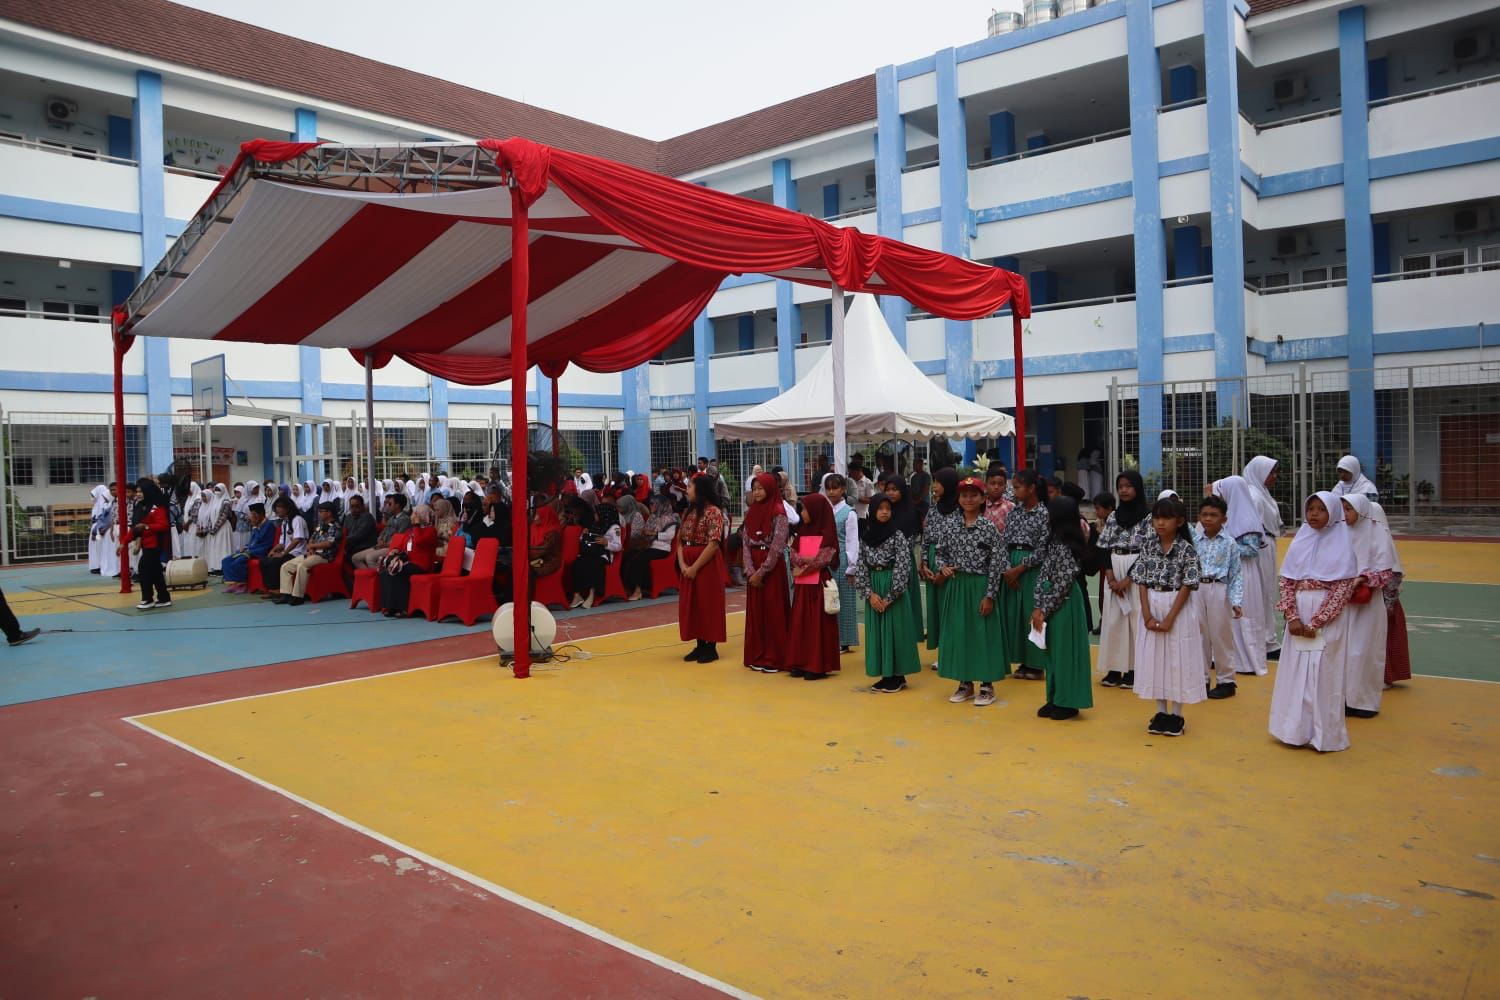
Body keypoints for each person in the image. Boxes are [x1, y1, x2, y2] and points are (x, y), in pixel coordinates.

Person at [1269, 492, 1360, 752]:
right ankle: (1293, 730)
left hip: (1326, 620)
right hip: (1299, 616)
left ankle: (1323, 734)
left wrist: (1317, 622)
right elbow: (1287, 581)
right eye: (1311, 509)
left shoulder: (1343, 546)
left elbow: (1342, 589)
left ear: (1333, 513)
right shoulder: (1301, 541)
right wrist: (1292, 617)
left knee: (1322, 673)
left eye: (1321, 509)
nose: (1314, 514)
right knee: (1296, 671)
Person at [1127, 495, 1205, 736]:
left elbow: (1188, 585)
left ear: (1179, 521)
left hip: (1177, 605)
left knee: (1178, 657)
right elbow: (1141, 580)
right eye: (1156, 518)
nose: (1160, 523)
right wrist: (1146, 614)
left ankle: (1177, 714)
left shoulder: (1187, 550)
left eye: (1166, 518)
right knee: (1155, 657)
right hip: (1152, 600)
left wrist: (1170, 617)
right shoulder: (1149, 546)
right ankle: (1161, 711)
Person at [935, 476, 1006, 706]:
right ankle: (965, 683)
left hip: (980, 585)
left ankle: (987, 685)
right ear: (958, 498)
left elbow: (997, 564)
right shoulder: (950, 526)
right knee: (960, 633)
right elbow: (940, 553)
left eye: (974, 495)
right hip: (957, 586)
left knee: (982, 635)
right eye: (964, 495)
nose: (968, 499)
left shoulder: (989, 528)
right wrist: (943, 567)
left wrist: (990, 595)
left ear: (983, 498)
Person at [1210, 456, 1283, 672]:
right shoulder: (1238, 509)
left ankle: (1248, 655)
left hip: (1244, 572)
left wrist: (1225, 547)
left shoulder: (1246, 516)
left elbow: (1250, 548)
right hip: (1234, 571)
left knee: (1245, 613)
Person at [1032, 495, 1094, 721]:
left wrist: (1043, 609)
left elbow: (1062, 584)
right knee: (1053, 653)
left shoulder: (1067, 546)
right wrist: (1039, 604)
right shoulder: (1055, 541)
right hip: (1053, 603)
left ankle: (1068, 702)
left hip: (1064, 603)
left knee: (1066, 652)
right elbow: (1045, 575)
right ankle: (1055, 697)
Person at [1341, 493, 1399, 719]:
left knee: (1365, 651)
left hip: (1369, 606)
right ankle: (1344, 699)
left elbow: (1385, 571)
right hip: (1344, 604)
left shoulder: (1377, 533)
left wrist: (1364, 579)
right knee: (1344, 650)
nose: (1345, 514)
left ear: (1361, 510)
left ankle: (1364, 701)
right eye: (1343, 509)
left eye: (1349, 509)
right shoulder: (1339, 533)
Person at [855, 495, 921, 691]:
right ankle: (886, 674)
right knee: (878, 633)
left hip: (892, 587)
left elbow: (903, 565)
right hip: (874, 587)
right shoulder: (866, 537)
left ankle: (898, 676)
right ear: (873, 511)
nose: (884, 512)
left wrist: (890, 596)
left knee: (895, 631)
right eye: (880, 508)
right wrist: (870, 594)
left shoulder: (897, 535)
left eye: (888, 508)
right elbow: (861, 565)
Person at [1096, 471, 1147, 689]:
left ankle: (1134, 669)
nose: (1124, 490)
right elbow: (1103, 546)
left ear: (1137, 488)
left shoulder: (1148, 518)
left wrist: (1127, 579)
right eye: (1120, 486)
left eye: (1128, 486)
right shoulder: (1113, 517)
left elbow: (1149, 551)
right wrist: (1110, 576)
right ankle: (1115, 668)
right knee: (1114, 619)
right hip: (1114, 570)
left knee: (1135, 619)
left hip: (1136, 572)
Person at [999, 469, 1051, 681]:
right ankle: (1021, 658)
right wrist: (1007, 568)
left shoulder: (1044, 514)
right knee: (1015, 613)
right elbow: (1004, 540)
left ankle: (1036, 664)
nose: (1014, 491)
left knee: (1031, 611)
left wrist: (1020, 568)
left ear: (1031, 488)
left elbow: (1043, 548)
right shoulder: (1014, 512)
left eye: (1018, 487)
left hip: (1031, 568)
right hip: (1012, 563)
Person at [1193, 495, 1246, 699]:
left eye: (1213, 515)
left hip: (1219, 588)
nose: (1208, 519)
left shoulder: (1230, 543)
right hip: (1197, 589)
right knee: (1199, 635)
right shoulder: (1195, 541)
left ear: (1224, 519)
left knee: (1220, 635)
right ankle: (1202, 679)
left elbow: (1236, 574)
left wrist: (1236, 600)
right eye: (1204, 514)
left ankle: (1226, 680)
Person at [786, 492, 841, 680]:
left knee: (818, 624)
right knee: (801, 622)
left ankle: (817, 665)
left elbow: (825, 557)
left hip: (819, 583)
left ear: (816, 510)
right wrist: (807, 561)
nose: (802, 513)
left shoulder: (827, 533)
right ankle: (800, 662)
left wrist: (804, 568)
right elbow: (793, 553)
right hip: (804, 584)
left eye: (805, 510)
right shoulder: (803, 530)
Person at [741, 472, 792, 673]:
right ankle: (757, 654)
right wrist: (749, 570)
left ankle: (774, 657)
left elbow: (777, 546)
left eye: (760, 488)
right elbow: (746, 543)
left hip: (771, 569)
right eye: (754, 489)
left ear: (770, 489)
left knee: (773, 612)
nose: (757, 492)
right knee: (757, 612)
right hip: (753, 566)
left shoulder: (779, 513)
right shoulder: (751, 513)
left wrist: (761, 572)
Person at [919, 468, 960, 667]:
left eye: (938, 482)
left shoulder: (961, 509)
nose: (934, 486)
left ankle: (953, 652)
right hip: (933, 560)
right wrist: (924, 563)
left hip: (952, 564)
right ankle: (943, 650)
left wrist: (947, 568)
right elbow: (926, 538)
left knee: (951, 608)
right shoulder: (934, 509)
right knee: (936, 609)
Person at [1368, 502, 1411, 689]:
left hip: (1383, 602)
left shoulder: (1382, 540)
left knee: (1383, 639)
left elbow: (1394, 574)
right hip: (1369, 601)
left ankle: (1384, 676)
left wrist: (1387, 605)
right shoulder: (1362, 538)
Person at [822, 474, 861, 653]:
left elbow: (852, 541)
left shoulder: (849, 513)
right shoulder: (826, 510)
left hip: (843, 558)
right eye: (828, 488)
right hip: (826, 558)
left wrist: (852, 567)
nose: (831, 492)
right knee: (828, 598)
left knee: (844, 599)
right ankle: (830, 637)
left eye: (835, 488)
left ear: (843, 489)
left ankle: (844, 640)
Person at [379, 504, 438, 617]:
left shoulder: (431, 530)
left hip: (421, 565)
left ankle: (402, 608)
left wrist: (416, 525)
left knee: (399, 571)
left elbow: (419, 541)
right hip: (408, 562)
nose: (412, 516)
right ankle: (390, 606)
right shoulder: (410, 531)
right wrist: (395, 550)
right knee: (387, 572)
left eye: (416, 514)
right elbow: (403, 545)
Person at [276, 502, 339, 606]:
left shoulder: (335, 526)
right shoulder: (320, 525)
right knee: (286, 566)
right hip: (311, 554)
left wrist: (313, 546)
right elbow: (311, 539)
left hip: (324, 556)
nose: (319, 514)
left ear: (329, 513)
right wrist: (310, 547)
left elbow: (328, 543)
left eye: (321, 511)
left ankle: (298, 596)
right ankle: (286, 595)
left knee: (302, 566)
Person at [622, 495, 678, 601]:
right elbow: (646, 530)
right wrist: (644, 532)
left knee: (640, 559)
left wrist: (653, 533)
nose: (650, 506)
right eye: (650, 503)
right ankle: (630, 587)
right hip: (649, 546)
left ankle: (638, 590)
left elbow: (669, 536)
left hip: (661, 549)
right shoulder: (653, 517)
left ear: (660, 505)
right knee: (629, 556)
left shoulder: (670, 518)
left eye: (653, 504)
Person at [130, 478, 173, 610]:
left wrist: (147, 526)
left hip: (156, 543)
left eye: (140, 491)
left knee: (144, 568)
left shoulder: (157, 506)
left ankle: (147, 598)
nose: (137, 494)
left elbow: (163, 525)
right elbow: (136, 526)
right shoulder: (140, 505)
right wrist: (134, 541)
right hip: (146, 542)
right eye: (137, 491)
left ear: (148, 491)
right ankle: (164, 597)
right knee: (155, 571)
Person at [571, 501, 621, 610]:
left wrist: (606, 543)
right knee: (577, 563)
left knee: (594, 564)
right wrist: (583, 535)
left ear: (604, 514)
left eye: (597, 513)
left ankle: (592, 594)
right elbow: (587, 539)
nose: (595, 515)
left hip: (603, 555)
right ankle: (577, 594)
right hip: (591, 552)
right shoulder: (595, 524)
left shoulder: (614, 527)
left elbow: (618, 546)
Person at [258, 496, 308, 600]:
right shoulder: (285, 522)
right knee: (264, 561)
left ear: (288, 508)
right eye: (276, 507)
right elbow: (282, 543)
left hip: (298, 553)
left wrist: (283, 553)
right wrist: (273, 551)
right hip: (287, 552)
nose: (277, 510)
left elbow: (297, 540)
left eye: (280, 507)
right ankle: (271, 589)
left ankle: (278, 590)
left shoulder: (297, 520)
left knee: (275, 562)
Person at [353, 493, 409, 570]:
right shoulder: (392, 518)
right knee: (355, 558)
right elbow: (383, 532)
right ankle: (369, 575)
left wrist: (385, 544)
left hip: (392, 548)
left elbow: (399, 538)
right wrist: (380, 540)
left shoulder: (405, 520)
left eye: (390, 504)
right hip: (381, 545)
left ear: (397, 505)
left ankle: (379, 576)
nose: (388, 506)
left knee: (369, 557)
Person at [1088, 493, 1115, 634]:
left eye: (1098, 508)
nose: (1096, 512)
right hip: (1103, 565)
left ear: (1109, 508)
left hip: (1115, 565)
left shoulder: (1117, 523)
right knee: (1103, 595)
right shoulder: (1098, 525)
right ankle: (1104, 619)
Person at [341, 494, 377, 567]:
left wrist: (344, 541)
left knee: (346, 556)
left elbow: (359, 535)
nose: (354, 509)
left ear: (363, 506)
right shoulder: (348, 517)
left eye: (357, 506)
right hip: (350, 545)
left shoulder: (367, 517)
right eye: (352, 506)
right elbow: (344, 532)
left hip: (364, 546)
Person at [87, 484, 116, 576]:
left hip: (102, 528)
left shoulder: (107, 504)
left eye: (93, 495)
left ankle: (99, 565)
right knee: (95, 548)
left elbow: (106, 518)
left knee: (100, 548)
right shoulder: (97, 505)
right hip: (97, 528)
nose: (92, 497)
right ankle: (95, 565)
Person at [982, 465, 1014, 535]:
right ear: (985, 485)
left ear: (1005, 486)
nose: (996, 487)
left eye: (1000, 484)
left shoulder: (1011, 507)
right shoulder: (980, 506)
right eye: (992, 483)